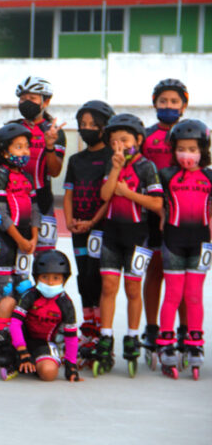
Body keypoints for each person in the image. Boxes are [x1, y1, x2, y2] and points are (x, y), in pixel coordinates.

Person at [92, 113, 163, 377]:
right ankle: (106, 336)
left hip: (137, 236)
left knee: (133, 288)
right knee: (108, 286)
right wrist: (116, 169)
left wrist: (129, 193)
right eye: (114, 141)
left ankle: (132, 337)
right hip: (111, 234)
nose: (119, 145)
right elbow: (104, 195)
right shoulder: (111, 163)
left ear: (139, 140)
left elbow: (157, 204)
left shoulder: (147, 167)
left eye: (125, 140)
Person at [0, 123, 40, 365]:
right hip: (7, 239)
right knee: (2, 287)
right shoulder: (0, 176)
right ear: (4, 152)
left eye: (27, 147)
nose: (25, 152)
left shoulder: (25, 176)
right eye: (19, 147)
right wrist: (21, 239)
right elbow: (0, 215)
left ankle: (14, 332)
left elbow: (35, 209)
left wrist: (33, 237)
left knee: (23, 285)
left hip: (26, 240)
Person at [156, 119, 211, 380]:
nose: (186, 154)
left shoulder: (210, 176)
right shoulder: (166, 175)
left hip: (201, 242)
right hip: (173, 241)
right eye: (181, 148)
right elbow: (156, 203)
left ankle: (195, 341)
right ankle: (165, 342)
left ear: (203, 149)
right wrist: (160, 214)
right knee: (173, 294)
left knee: (194, 295)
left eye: (192, 148)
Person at [0, 77, 65, 254]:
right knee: (10, 262)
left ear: (46, 101)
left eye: (32, 98)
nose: (26, 102)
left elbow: (55, 171)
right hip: (10, 202)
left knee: (45, 261)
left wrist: (50, 145)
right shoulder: (10, 128)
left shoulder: (54, 132)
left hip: (42, 202)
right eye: (22, 99)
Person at [141, 79, 190, 361]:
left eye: (174, 102)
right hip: (153, 214)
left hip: (185, 214)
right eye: (163, 101)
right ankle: (151, 328)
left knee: (181, 276)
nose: (168, 106)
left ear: (184, 104)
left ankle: (184, 329)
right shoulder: (146, 136)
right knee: (156, 271)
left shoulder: (195, 134)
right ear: (154, 103)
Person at [62, 100, 114, 364]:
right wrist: (70, 220)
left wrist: (92, 222)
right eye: (83, 124)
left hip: (99, 228)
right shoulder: (76, 159)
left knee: (97, 276)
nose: (87, 128)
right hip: (78, 227)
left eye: (93, 124)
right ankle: (88, 327)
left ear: (105, 128)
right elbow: (68, 193)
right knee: (83, 276)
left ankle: (101, 330)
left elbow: (109, 198)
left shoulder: (110, 159)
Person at [0, 250, 80, 382]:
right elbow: (16, 324)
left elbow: (71, 336)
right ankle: (7, 352)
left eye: (56, 278)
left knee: (49, 373)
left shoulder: (65, 303)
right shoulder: (30, 295)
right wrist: (22, 351)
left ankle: (32, 362)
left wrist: (71, 365)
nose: (50, 282)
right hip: (21, 339)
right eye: (45, 277)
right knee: (6, 303)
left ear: (64, 279)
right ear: (36, 277)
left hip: (44, 343)